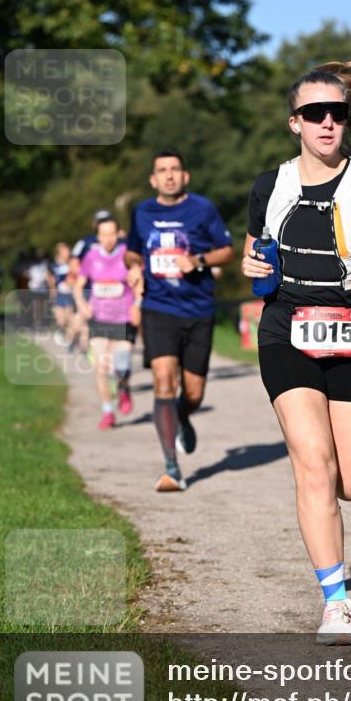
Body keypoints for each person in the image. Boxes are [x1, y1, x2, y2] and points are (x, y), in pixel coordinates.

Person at [242, 55, 351, 644]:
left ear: (348, 120)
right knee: (314, 462)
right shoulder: (270, 185)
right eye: (313, 114)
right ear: (294, 122)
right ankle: (336, 599)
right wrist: (252, 268)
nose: (325, 124)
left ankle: (325, 499)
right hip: (285, 328)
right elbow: (256, 261)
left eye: (335, 114)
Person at [125, 150, 234, 491]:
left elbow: (227, 251)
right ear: (153, 179)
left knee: (193, 392)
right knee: (162, 380)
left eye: (175, 169)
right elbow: (132, 249)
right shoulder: (143, 211)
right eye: (162, 171)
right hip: (158, 308)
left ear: (185, 176)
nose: (169, 176)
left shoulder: (203, 209)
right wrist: (132, 265)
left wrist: (198, 260)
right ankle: (171, 466)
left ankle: (183, 414)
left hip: (198, 309)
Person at [74, 216, 141, 429]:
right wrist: (81, 304)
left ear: (119, 234)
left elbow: (139, 282)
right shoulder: (91, 257)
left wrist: (137, 304)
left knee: (121, 365)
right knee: (101, 368)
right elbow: (79, 285)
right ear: (98, 236)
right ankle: (107, 412)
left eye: (112, 234)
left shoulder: (127, 256)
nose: (108, 239)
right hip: (99, 318)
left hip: (123, 318)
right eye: (104, 235)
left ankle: (124, 388)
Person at [48, 241, 77, 346]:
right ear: (59, 252)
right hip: (59, 294)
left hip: (70, 294)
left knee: (69, 318)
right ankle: (64, 333)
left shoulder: (73, 263)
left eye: (67, 251)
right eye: (63, 251)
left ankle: (69, 341)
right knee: (61, 320)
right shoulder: (54, 265)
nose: (66, 253)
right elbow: (51, 278)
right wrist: (52, 289)